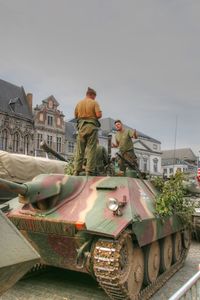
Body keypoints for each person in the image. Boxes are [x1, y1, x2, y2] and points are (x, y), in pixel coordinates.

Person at [73, 87, 102, 176]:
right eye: (94, 96)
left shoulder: (79, 103)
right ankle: (89, 171)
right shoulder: (94, 103)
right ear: (92, 95)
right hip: (91, 127)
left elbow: (75, 116)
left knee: (80, 150)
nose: (95, 98)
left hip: (81, 127)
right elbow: (99, 115)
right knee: (91, 149)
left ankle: (76, 171)